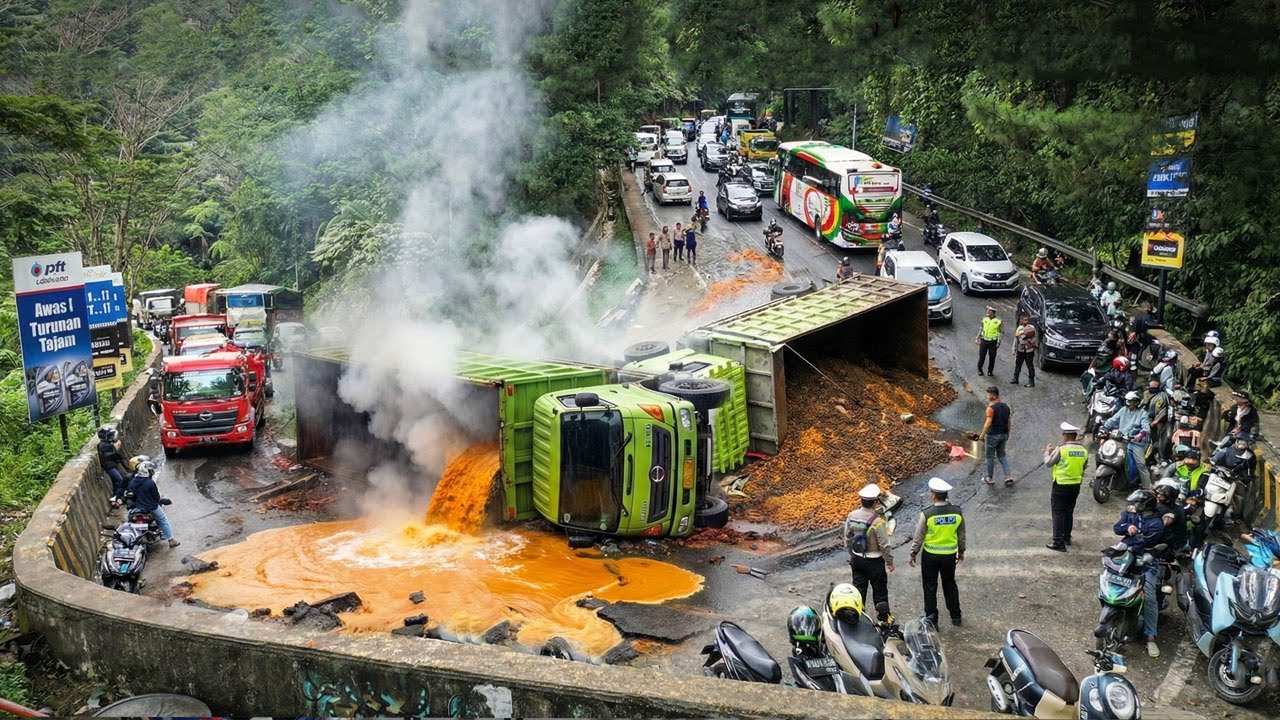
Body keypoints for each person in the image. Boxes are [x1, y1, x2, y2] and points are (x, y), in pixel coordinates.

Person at [1112, 488, 1165, 657]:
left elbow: (1144, 542)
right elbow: (1117, 528)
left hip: (1145, 560)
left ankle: (1150, 636)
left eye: (1137, 503)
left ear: (1145, 505)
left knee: (1149, 596)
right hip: (1127, 555)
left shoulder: (1156, 523)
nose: (1134, 505)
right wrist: (1127, 527)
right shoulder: (1130, 513)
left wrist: (1133, 534)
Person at [909, 477, 964, 627]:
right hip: (949, 555)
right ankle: (956, 616)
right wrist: (961, 551)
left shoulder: (927, 514)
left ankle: (932, 620)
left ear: (933, 495)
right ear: (946, 495)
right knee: (949, 583)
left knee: (930, 586)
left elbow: (919, 536)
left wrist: (913, 553)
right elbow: (961, 534)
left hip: (931, 556)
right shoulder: (957, 512)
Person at [843, 484, 894, 620]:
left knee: (859, 590)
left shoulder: (852, 516)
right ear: (875, 502)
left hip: (857, 560)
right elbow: (884, 544)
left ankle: (857, 618)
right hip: (875, 562)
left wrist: (852, 554)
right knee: (880, 591)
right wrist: (889, 562)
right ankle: (884, 619)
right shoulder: (878, 521)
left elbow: (847, 537)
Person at [1044, 422, 1088, 551]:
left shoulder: (1062, 449)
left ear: (1065, 436)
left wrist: (1047, 452)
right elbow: (1084, 467)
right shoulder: (1083, 451)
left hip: (1061, 485)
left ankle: (1057, 542)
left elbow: (1048, 463)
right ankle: (1066, 537)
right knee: (1069, 511)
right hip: (1075, 485)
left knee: (1058, 513)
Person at [1102, 391, 1152, 488]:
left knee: (1140, 464)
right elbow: (1112, 420)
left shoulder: (1143, 414)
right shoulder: (1123, 410)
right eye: (1127, 401)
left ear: (1137, 402)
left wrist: (1140, 435)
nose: (1128, 403)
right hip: (1121, 438)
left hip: (1136, 442)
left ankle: (1147, 487)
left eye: (1131, 401)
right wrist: (1104, 427)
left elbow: (1146, 428)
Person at [126, 460, 179, 548]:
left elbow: (130, 494)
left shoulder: (133, 481)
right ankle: (171, 541)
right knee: (163, 519)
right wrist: (160, 500)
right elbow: (156, 497)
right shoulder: (150, 483)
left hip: (138, 507)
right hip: (151, 507)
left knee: (129, 521)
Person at [976, 386, 1012, 487]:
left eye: (988, 394)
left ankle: (990, 478)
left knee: (990, 457)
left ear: (994, 396)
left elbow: (988, 423)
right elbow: (1009, 422)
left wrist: (982, 435)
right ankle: (1008, 476)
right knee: (1002, 455)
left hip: (992, 436)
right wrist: (1007, 434)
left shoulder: (990, 408)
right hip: (1003, 434)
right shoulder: (1006, 407)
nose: (987, 396)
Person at [1155, 482, 1189, 555]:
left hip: (1174, 544)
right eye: (1158, 494)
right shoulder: (1162, 506)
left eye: (1162, 495)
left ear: (1168, 498)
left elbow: (1159, 527)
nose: (1158, 496)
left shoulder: (1171, 512)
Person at [1144, 378, 1171, 461]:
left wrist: (1155, 422)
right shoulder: (1146, 393)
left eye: (1154, 386)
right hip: (1145, 419)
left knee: (1155, 441)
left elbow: (1163, 412)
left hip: (1157, 423)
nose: (1151, 388)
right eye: (1150, 386)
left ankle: (1155, 457)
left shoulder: (1161, 397)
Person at [1010, 314, 1038, 387]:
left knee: (1030, 366)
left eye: (1027, 320)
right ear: (1021, 320)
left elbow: (1034, 338)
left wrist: (1029, 341)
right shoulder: (1019, 328)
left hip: (1029, 350)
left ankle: (1031, 381)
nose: (1026, 321)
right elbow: (1016, 339)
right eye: (1024, 320)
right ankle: (1015, 378)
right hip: (1021, 349)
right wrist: (1014, 349)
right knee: (1018, 365)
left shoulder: (1031, 328)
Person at [975, 306, 1003, 376]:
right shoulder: (984, 319)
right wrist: (977, 338)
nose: (987, 312)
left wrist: (999, 342)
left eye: (989, 311)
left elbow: (1001, 332)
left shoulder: (999, 321)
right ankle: (980, 369)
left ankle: (990, 371)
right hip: (984, 340)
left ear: (993, 313)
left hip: (993, 342)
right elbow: (981, 329)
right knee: (982, 356)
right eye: (987, 311)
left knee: (992, 357)